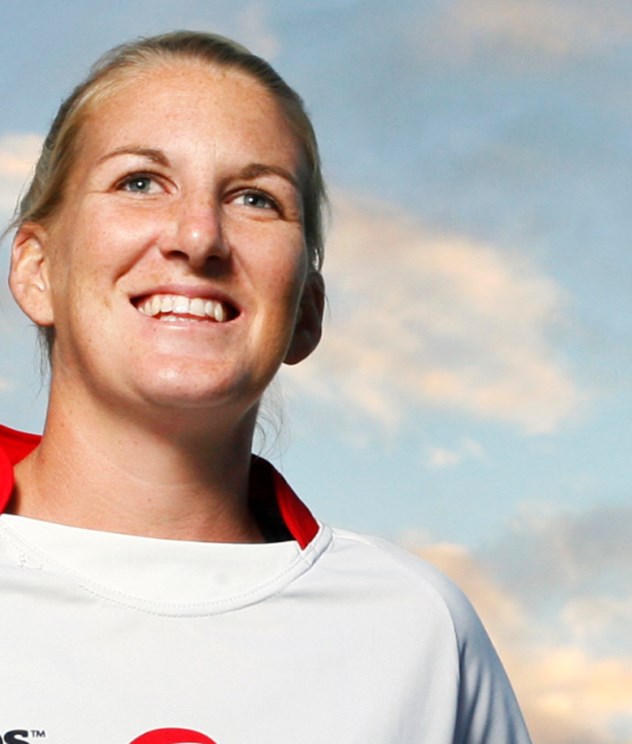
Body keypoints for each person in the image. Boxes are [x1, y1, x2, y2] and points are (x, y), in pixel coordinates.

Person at [1, 31, 530, 741]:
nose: (198, 237)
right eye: (140, 182)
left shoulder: (416, 631)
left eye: (255, 198)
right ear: (36, 270)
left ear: (306, 312)